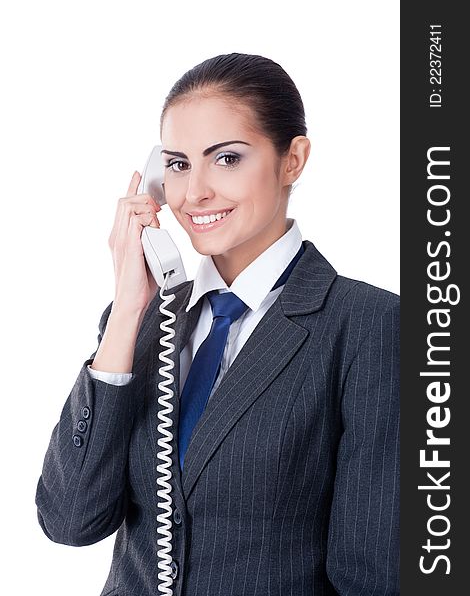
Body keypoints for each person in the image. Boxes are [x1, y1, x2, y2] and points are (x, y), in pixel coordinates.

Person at [36, 52, 399, 596]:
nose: (194, 193)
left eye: (226, 158)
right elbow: (70, 520)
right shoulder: (142, 322)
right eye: (178, 164)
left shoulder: (371, 328)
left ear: (292, 160)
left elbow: (373, 577)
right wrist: (129, 310)